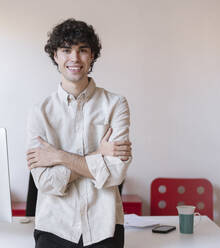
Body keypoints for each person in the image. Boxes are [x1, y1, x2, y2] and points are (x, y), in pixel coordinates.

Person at [26, 18, 132, 248]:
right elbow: (45, 183)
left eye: (82, 50)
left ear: (92, 55)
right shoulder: (40, 112)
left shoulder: (116, 104)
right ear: (55, 55)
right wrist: (98, 156)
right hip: (54, 227)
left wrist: (59, 156)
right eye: (66, 50)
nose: (74, 58)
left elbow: (115, 173)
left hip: (105, 228)